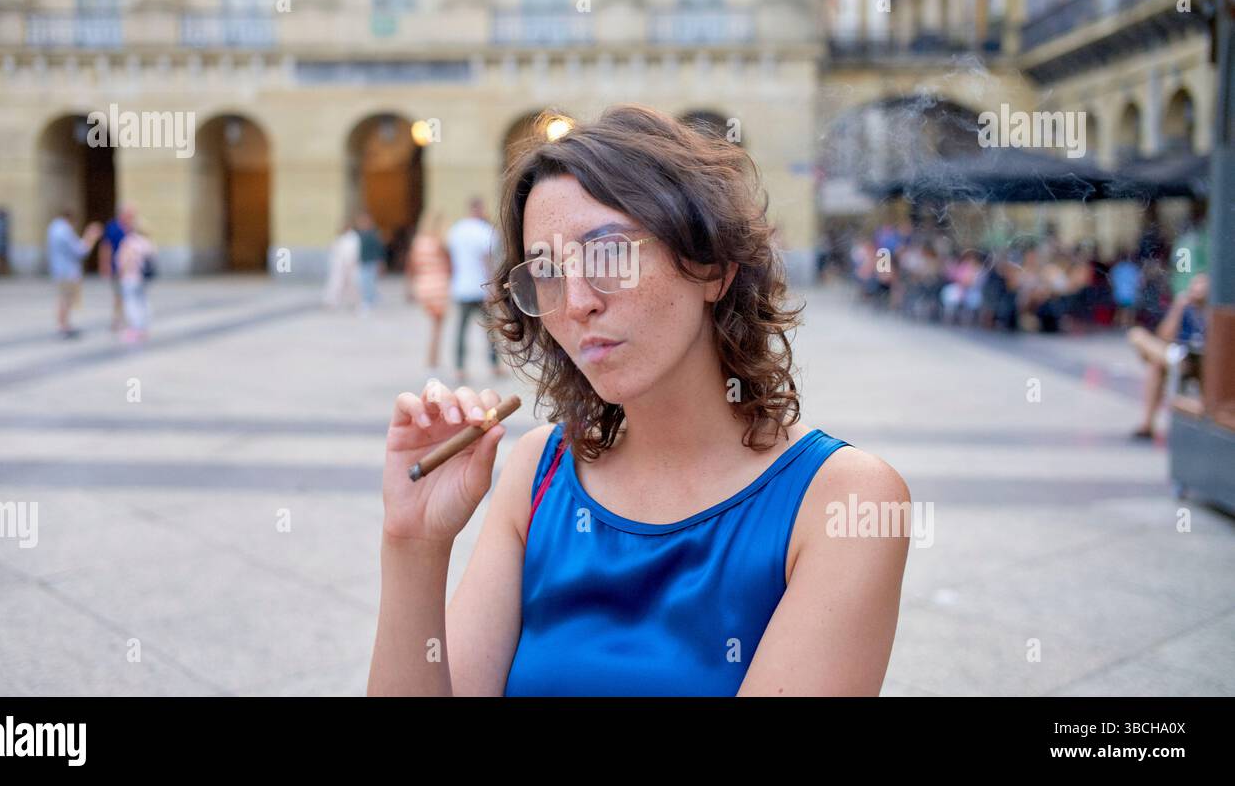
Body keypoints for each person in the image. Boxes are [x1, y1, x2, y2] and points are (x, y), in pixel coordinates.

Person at [369, 105, 909, 697]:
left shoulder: (844, 501)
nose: (575, 302)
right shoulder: (539, 471)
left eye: (608, 254)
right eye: (546, 271)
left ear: (712, 266)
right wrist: (414, 545)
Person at [1127, 272, 1209, 441]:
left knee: (1156, 365)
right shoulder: (1185, 308)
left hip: (1200, 361)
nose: (1195, 288)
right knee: (1138, 337)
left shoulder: (1213, 309)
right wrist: (1177, 309)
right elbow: (1163, 336)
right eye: (1194, 284)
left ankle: (1147, 424)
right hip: (1179, 353)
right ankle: (1147, 424)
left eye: (1201, 284)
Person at [446, 196, 501, 382]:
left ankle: (460, 368)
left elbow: (451, 259)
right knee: (490, 329)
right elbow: (488, 261)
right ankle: (494, 365)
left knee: (461, 329)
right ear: (479, 208)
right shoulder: (484, 231)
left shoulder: (456, 230)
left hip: (461, 287)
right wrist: (492, 286)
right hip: (480, 288)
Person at [405, 211, 452, 372]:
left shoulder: (418, 242)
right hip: (439, 285)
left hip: (423, 285)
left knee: (434, 323)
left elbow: (411, 266)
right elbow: (449, 265)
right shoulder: (440, 242)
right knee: (438, 325)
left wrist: (409, 287)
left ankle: (432, 357)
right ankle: (433, 358)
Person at [46, 210, 102, 337]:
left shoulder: (53, 228)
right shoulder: (64, 231)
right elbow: (80, 251)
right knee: (66, 299)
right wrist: (90, 237)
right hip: (68, 271)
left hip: (59, 270)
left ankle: (63, 325)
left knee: (63, 298)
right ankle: (63, 326)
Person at [115, 220, 157, 344]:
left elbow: (124, 260)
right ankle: (143, 328)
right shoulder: (147, 243)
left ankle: (135, 329)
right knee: (143, 302)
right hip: (143, 278)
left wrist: (122, 271)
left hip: (130, 277)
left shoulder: (129, 242)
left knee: (131, 304)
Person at [99, 203, 136, 331]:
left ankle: (126, 319)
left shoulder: (131, 228)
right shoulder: (113, 227)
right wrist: (105, 264)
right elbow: (106, 246)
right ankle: (117, 320)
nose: (133, 216)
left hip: (131, 269)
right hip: (117, 267)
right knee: (119, 295)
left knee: (128, 295)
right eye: (130, 213)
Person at [322, 221, 361, 310]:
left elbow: (352, 253)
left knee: (353, 285)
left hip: (349, 265)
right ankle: (331, 302)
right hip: (339, 266)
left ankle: (356, 303)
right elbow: (334, 250)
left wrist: (349, 264)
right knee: (336, 283)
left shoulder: (352, 238)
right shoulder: (342, 238)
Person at [354, 211, 387, 311]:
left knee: (368, 282)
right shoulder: (357, 234)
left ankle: (367, 301)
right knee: (363, 282)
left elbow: (380, 249)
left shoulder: (374, 234)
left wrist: (381, 262)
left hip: (372, 262)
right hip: (362, 262)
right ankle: (371, 298)